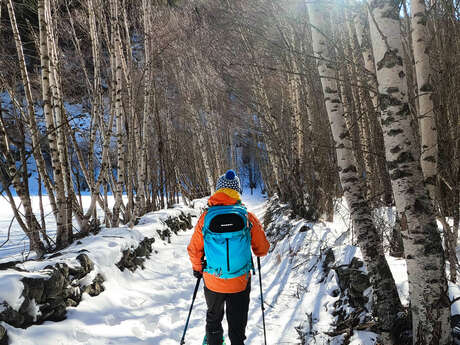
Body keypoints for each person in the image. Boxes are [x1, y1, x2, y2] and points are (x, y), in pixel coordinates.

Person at [187, 170, 270, 345]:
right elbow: (262, 249)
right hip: (239, 281)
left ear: (218, 190)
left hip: (213, 280)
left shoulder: (205, 218)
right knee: (237, 321)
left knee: (214, 317)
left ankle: (214, 341)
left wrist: (197, 269)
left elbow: (194, 250)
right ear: (237, 191)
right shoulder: (247, 216)